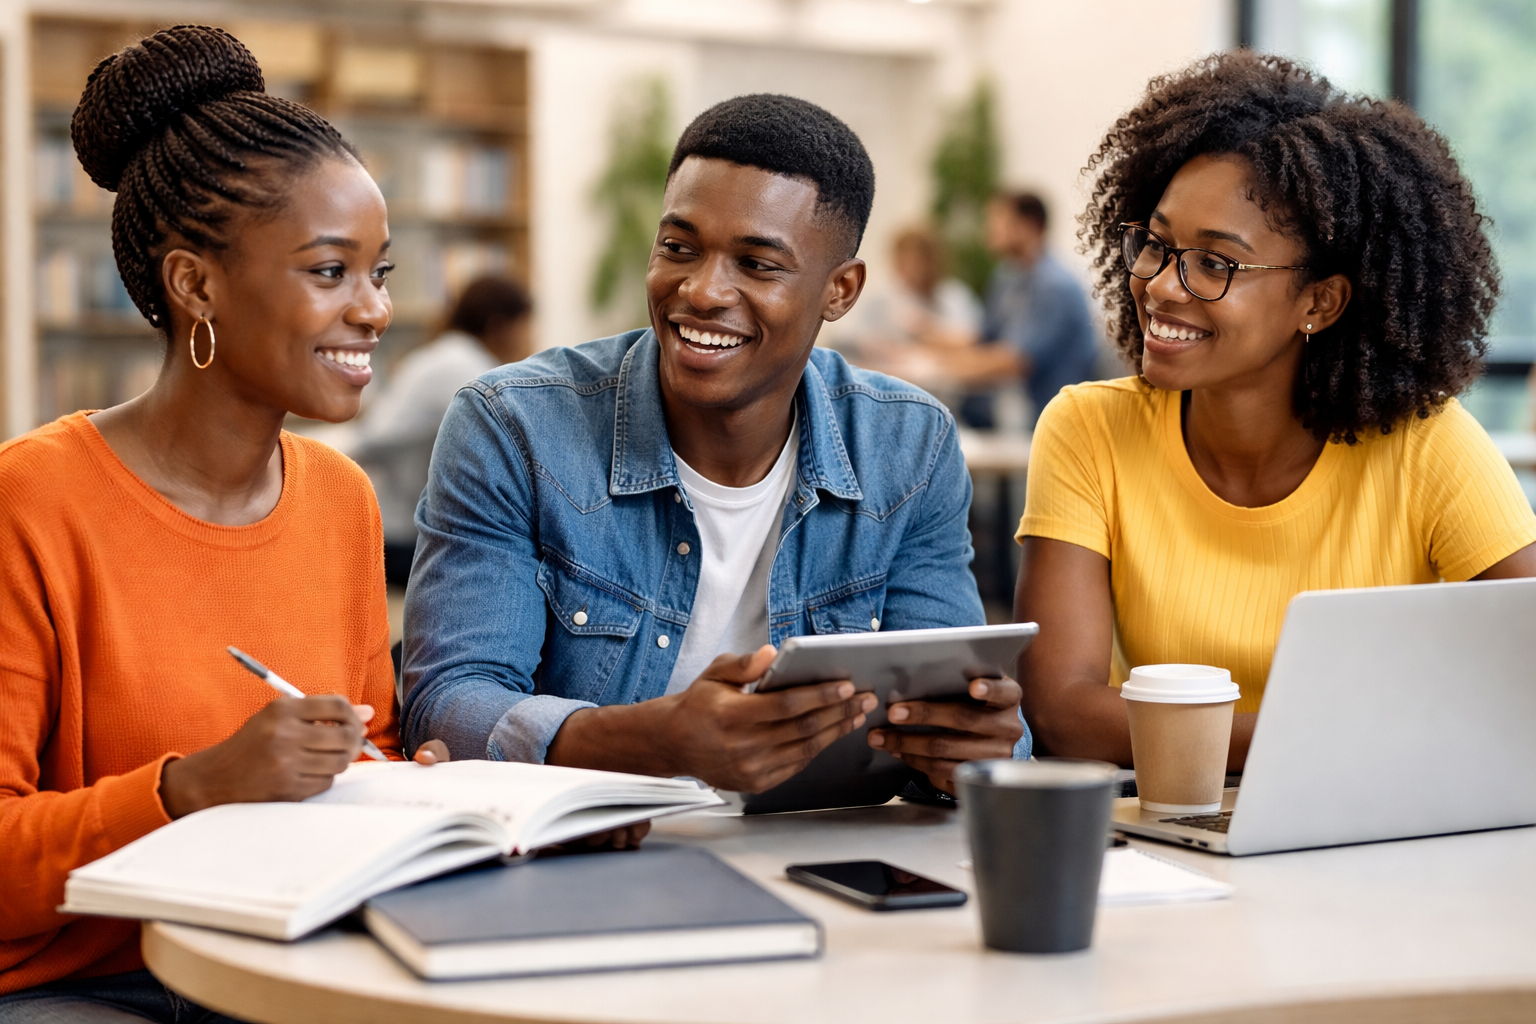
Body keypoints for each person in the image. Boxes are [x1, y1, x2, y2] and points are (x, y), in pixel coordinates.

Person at [0, 26, 550, 1022]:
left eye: (380, 272)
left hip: (292, 956)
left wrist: (400, 783)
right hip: (77, 984)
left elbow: (363, 740)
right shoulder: (30, 503)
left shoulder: (341, 499)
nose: (377, 309)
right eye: (330, 272)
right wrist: (188, 788)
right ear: (196, 284)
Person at [403, 94, 1028, 798]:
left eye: (758, 265)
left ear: (841, 291)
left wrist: (973, 751)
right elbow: (446, 705)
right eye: (679, 248)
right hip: (592, 853)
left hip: (821, 857)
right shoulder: (513, 425)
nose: (701, 291)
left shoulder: (908, 447)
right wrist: (655, 742)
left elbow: (962, 709)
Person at [1014, 51, 1536, 770]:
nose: (1164, 287)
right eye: (1158, 246)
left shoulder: (1429, 449)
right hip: (1170, 833)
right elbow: (1061, 712)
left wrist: (1216, 739)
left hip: (1366, 836)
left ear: (1319, 303)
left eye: (1214, 263)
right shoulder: (1089, 430)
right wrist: (1330, 744)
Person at [315, 276, 532, 585]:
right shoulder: (465, 368)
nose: (529, 338)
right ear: (501, 326)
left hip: (401, 523)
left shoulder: (445, 356)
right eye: (525, 326)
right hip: (404, 533)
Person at [960, 192, 1099, 428]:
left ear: (1028, 225)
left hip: (1049, 418)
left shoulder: (1055, 286)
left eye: (997, 220)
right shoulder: (1008, 276)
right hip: (1010, 408)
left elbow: (1016, 362)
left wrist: (941, 368)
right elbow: (981, 339)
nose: (989, 229)